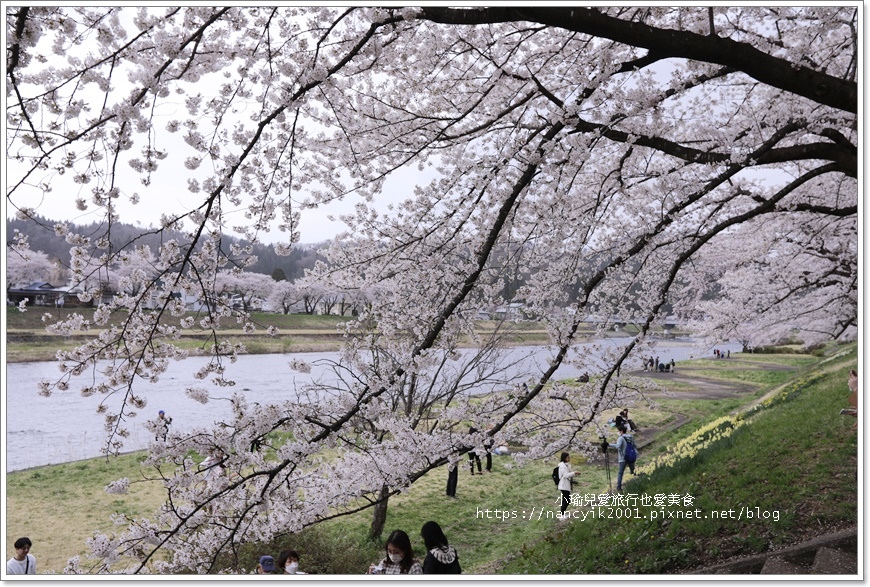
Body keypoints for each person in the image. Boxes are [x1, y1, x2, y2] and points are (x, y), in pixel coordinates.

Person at [609, 425, 636, 492]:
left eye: (618, 431)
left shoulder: (621, 438)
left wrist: (609, 444)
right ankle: (634, 482)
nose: (618, 432)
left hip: (622, 458)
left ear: (621, 431)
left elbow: (618, 446)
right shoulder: (631, 437)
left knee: (620, 473)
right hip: (630, 456)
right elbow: (635, 445)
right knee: (633, 471)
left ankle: (619, 487)